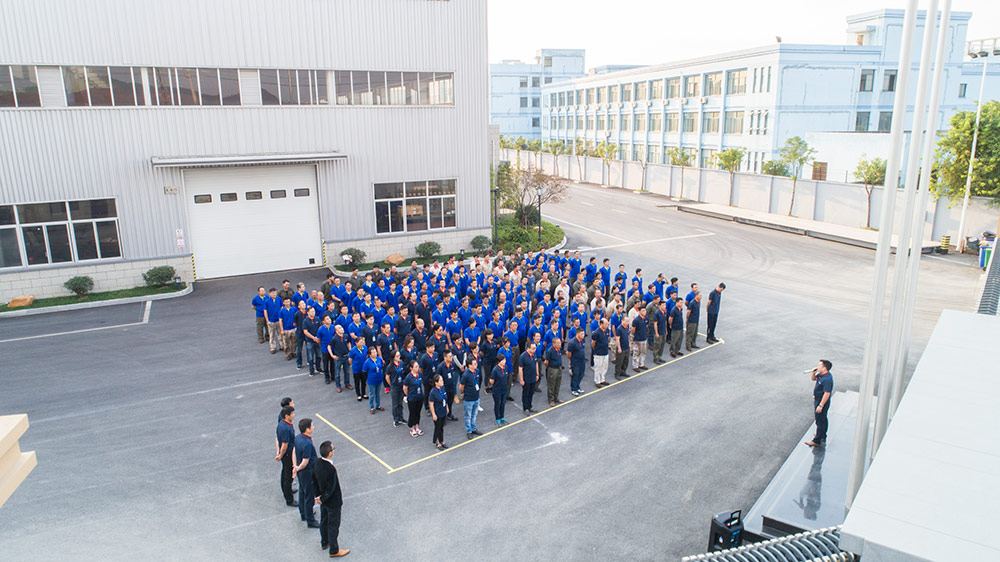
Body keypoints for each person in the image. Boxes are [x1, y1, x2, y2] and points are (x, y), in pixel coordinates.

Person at [312, 440, 349, 557]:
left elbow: (314, 479)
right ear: (330, 453)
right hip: (332, 502)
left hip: (323, 500)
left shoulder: (317, 462)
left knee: (324, 520)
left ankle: (324, 542)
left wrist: (318, 496)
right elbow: (331, 488)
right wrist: (323, 498)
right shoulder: (331, 469)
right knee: (333, 525)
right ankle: (334, 550)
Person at [292, 418, 320, 528]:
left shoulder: (298, 438)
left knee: (302, 491)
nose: (313, 427)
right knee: (309, 495)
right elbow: (305, 461)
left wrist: (295, 466)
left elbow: (294, 451)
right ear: (307, 429)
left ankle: (303, 513)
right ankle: (310, 520)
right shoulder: (307, 443)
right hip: (307, 471)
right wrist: (298, 468)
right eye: (312, 426)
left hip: (301, 471)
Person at [805, 360, 834, 447]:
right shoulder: (821, 375)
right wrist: (813, 372)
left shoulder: (827, 379)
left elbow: (827, 393)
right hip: (818, 400)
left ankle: (816, 440)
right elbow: (813, 379)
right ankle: (822, 435)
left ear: (824, 368)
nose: (817, 367)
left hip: (821, 401)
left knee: (820, 420)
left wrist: (821, 405)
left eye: (819, 365)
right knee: (823, 419)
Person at [275, 405, 296, 507]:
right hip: (288, 454)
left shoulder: (281, 424)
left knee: (285, 472)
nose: (293, 415)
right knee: (288, 475)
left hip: (285, 453)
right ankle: (289, 498)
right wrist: (281, 454)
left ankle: (286, 490)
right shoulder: (286, 428)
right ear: (287, 416)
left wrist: (278, 452)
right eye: (292, 414)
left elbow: (277, 439)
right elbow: (284, 445)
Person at [459, 358, 482, 440]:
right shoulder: (466, 375)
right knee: (468, 415)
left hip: (476, 397)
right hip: (469, 399)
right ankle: (469, 431)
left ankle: (473, 428)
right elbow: (461, 387)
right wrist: (465, 392)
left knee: (474, 414)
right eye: (474, 364)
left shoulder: (477, 371)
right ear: (469, 365)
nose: (476, 365)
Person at [403, 360, 425, 438]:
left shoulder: (420, 374)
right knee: (412, 413)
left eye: (417, 366)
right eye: (415, 367)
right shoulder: (408, 377)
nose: (417, 368)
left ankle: (417, 427)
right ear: (411, 368)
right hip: (412, 398)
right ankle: (412, 428)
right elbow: (405, 388)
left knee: (418, 412)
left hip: (419, 396)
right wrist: (408, 395)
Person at [385, 350, 405, 427]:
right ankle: (395, 419)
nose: (398, 357)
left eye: (399, 356)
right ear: (393, 357)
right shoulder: (390, 367)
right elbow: (387, 377)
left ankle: (401, 417)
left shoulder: (401, 364)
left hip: (401, 385)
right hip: (395, 386)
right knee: (395, 404)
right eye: (397, 356)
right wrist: (391, 384)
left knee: (400, 403)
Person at [330, 325, 352, 392]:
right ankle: (338, 386)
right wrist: (332, 355)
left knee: (347, 372)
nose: (342, 329)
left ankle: (347, 383)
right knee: (337, 373)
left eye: (342, 327)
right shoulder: (334, 338)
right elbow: (329, 346)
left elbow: (348, 343)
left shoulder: (346, 336)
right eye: (339, 328)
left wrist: (349, 351)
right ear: (336, 331)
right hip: (338, 358)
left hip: (346, 356)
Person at [488, 354, 509, 426]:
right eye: (503, 360)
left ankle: (502, 417)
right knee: (497, 404)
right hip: (497, 390)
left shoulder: (506, 367)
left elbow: (506, 376)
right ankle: (497, 419)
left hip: (504, 389)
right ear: (499, 361)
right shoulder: (495, 370)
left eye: (505, 360)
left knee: (503, 403)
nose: (504, 361)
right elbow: (491, 381)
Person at [429, 374, 449, 449]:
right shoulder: (433, 392)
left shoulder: (443, 388)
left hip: (443, 410)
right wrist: (433, 414)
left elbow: (445, 399)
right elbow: (431, 404)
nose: (442, 382)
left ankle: (441, 440)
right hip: (437, 412)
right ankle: (437, 442)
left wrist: (447, 407)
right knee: (437, 428)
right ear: (436, 383)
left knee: (441, 427)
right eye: (440, 381)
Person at [363, 346, 384, 414]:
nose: (375, 353)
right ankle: (371, 407)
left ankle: (378, 405)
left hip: (379, 379)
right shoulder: (367, 362)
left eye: (375, 352)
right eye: (373, 352)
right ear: (370, 354)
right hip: (371, 381)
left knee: (378, 393)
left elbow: (381, 366)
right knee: (372, 394)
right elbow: (364, 372)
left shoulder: (379, 359)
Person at [519, 341, 539, 413]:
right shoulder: (523, 357)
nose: (534, 350)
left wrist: (537, 374)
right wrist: (521, 379)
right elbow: (520, 368)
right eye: (533, 348)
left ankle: (529, 406)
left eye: (535, 348)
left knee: (531, 393)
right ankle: (525, 408)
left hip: (533, 377)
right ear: (528, 348)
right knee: (526, 393)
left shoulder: (534, 354)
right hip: (526, 378)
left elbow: (536, 364)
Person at [566, 329, 587, 397]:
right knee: (575, 375)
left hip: (582, 361)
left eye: (583, 334)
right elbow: (568, 353)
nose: (583, 335)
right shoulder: (572, 343)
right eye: (581, 334)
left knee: (581, 374)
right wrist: (572, 359)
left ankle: (578, 387)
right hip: (575, 362)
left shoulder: (582, 340)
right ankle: (573, 389)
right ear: (577, 334)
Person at [544, 337, 564, 406]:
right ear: (554, 344)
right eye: (558, 343)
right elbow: (546, 362)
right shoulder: (550, 351)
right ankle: (551, 400)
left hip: (559, 368)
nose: (560, 344)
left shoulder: (559, 349)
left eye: (560, 343)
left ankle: (556, 398)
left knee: (557, 384)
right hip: (552, 369)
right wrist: (549, 368)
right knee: (551, 385)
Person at [592, 318, 610, 387]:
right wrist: (596, 350)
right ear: (601, 324)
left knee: (605, 367)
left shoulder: (607, 330)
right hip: (598, 353)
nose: (607, 325)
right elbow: (593, 343)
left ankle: (602, 379)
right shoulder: (596, 333)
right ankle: (597, 381)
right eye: (606, 324)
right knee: (598, 367)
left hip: (605, 352)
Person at [264, 288, 283, 354]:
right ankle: (273, 347)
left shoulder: (279, 299)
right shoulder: (267, 301)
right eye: (273, 293)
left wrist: (281, 318)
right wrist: (267, 320)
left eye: (275, 293)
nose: (274, 294)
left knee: (280, 334)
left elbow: (281, 308)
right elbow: (265, 311)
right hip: (271, 320)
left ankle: (281, 345)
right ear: (270, 294)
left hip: (278, 320)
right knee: (272, 335)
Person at [630, 306, 649, 372]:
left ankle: (641, 364)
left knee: (643, 352)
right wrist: (636, 335)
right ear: (639, 311)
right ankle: (635, 366)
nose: (644, 312)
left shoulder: (646, 318)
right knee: (636, 353)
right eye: (643, 311)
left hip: (644, 338)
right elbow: (633, 330)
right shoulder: (636, 320)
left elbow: (646, 326)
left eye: (645, 310)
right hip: (638, 339)